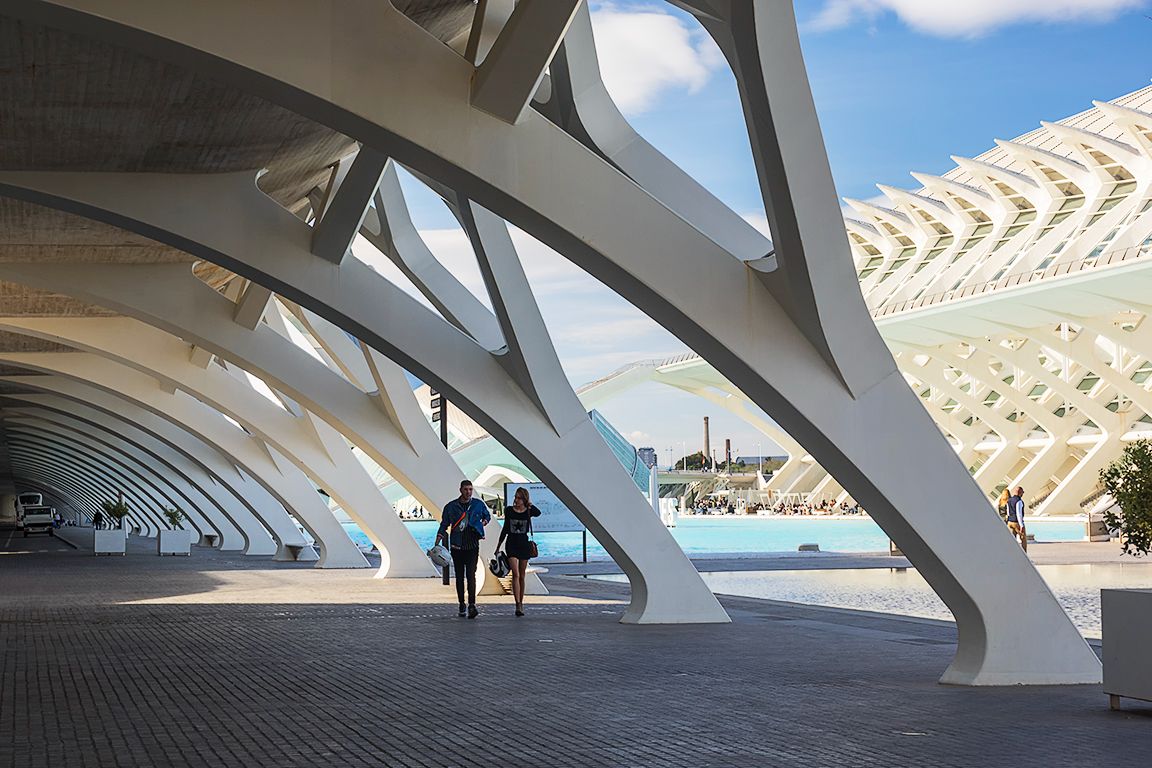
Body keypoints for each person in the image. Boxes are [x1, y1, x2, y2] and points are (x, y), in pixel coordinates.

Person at [435, 480, 491, 618]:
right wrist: (438, 539)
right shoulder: (451, 506)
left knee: (471, 575)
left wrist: (482, 524)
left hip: (472, 545)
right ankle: (461, 603)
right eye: (466, 489)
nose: (468, 492)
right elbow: (444, 524)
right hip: (457, 546)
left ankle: (472, 605)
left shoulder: (478, 504)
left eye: (470, 489)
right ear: (460, 490)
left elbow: (487, 516)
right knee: (459, 576)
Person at [496, 486, 541, 617]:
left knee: (522, 575)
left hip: (524, 545)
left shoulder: (529, 511)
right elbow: (505, 529)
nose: (516, 500)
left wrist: (529, 505)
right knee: (515, 574)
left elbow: (538, 512)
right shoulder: (509, 510)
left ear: (524, 499)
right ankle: (517, 604)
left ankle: (521, 602)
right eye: (515, 497)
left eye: (519, 498)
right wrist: (498, 546)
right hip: (511, 544)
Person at [1006, 486, 1027, 551]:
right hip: (1016, 523)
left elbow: (1008, 512)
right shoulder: (1019, 501)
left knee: (1012, 540)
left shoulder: (1009, 500)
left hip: (1010, 522)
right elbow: (1019, 514)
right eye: (1022, 492)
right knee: (1023, 539)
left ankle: (1011, 552)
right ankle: (1024, 554)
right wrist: (1021, 525)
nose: (1023, 494)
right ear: (1020, 492)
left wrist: (1008, 520)